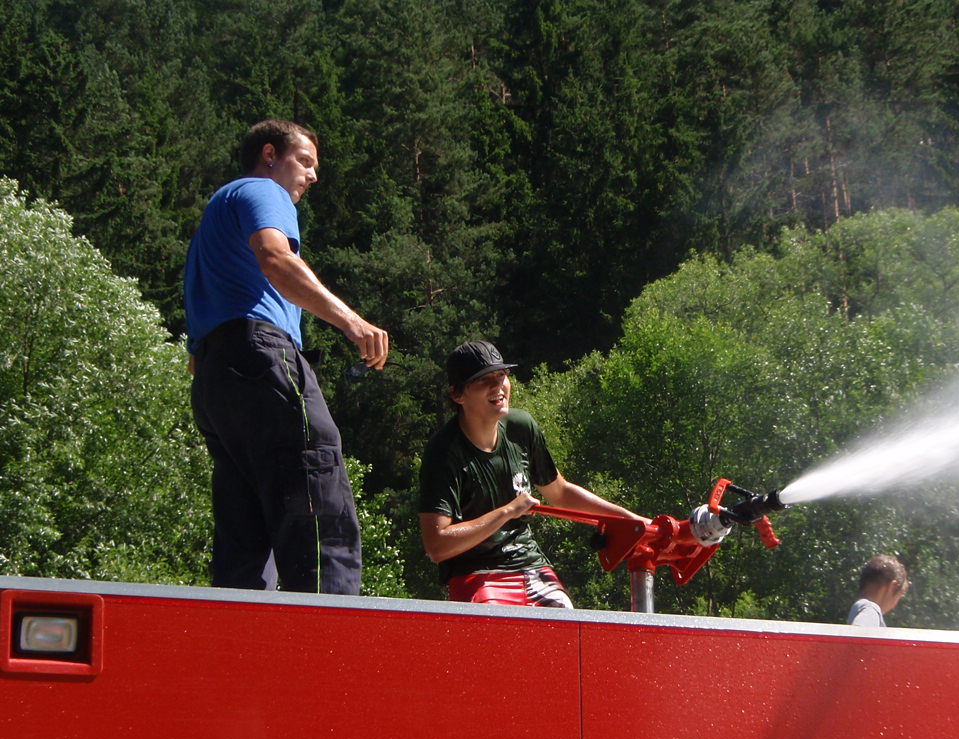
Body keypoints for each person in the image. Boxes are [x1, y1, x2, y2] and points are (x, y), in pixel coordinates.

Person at [185, 119, 390, 594]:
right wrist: (351, 321)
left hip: (215, 381)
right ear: (270, 155)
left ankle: (243, 630)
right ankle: (329, 628)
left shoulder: (213, 224)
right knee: (317, 488)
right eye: (305, 161)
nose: (313, 176)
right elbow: (276, 258)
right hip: (261, 356)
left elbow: (198, 352)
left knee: (245, 522)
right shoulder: (263, 190)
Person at [418, 341, 645, 606]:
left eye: (501, 375)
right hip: (476, 574)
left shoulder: (521, 427)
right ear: (458, 395)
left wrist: (631, 520)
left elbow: (560, 493)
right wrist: (508, 511)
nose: (497, 386)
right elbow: (437, 545)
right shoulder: (443, 452)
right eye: (483, 380)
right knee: (500, 625)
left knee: (565, 621)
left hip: (531, 567)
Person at [847, 554, 909, 627]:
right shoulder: (870, 609)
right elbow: (859, 633)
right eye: (898, 597)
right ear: (892, 587)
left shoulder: (859, 609)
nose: (894, 607)